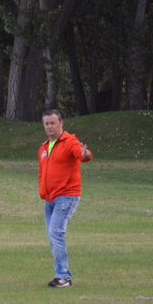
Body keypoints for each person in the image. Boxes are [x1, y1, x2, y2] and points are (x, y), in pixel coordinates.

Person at [37, 108, 92, 288]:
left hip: (66, 196)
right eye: (47, 123)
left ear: (61, 123)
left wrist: (85, 154)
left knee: (56, 233)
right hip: (50, 199)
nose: (50, 126)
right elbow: (43, 173)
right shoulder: (44, 148)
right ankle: (61, 275)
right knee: (52, 237)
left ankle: (63, 277)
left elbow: (82, 154)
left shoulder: (69, 142)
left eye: (53, 123)